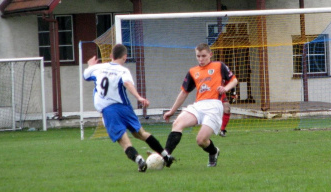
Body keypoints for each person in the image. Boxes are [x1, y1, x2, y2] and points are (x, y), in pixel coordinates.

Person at [83, 44, 171, 172]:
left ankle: (139, 160)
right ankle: (166, 156)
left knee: (124, 141)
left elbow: (86, 75)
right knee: (141, 133)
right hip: (125, 108)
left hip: (109, 111)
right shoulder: (123, 70)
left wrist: (90, 65)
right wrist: (139, 97)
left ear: (110, 56)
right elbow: (127, 83)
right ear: (125, 57)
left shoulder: (98, 67)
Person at [163, 43, 238, 167]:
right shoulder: (193, 71)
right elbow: (184, 92)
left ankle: (214, 152)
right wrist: (172, 111)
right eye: (198, 56)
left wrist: (225, 88)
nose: (201, 59)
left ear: (210, 54)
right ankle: (166, 155)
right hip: (198, 105)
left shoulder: (219, 66)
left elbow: (234, 80)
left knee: (201, 140)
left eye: (204, 56)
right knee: (177, 123)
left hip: (214, 106)